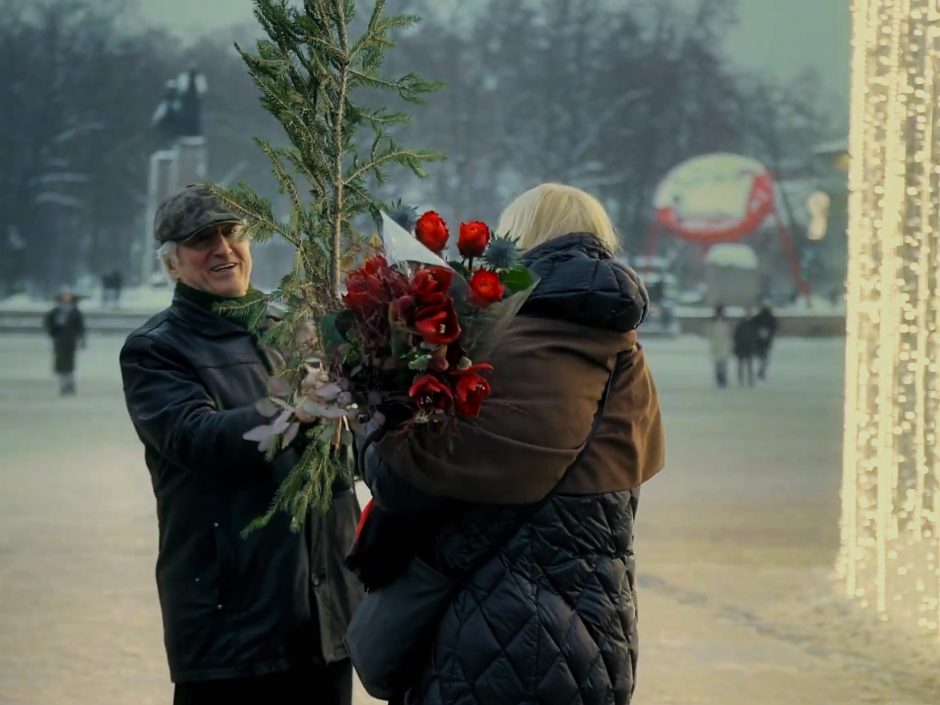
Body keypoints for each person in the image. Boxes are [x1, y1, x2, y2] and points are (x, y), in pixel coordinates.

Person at [351, 182, 665, 705]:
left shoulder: (538, 340)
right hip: (583, 616)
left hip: (507, 625)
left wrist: (374, 417)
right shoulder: (614, 344)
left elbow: (412, 482)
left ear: (519, 239)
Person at [119, 185, 363, 705]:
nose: (223, 249)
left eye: (232, 233)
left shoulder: (298, 330)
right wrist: (291, 410)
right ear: (172, 262)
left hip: (326, 618)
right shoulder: (155, 349)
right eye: (202, 240)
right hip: (231, 627)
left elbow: (347, 455)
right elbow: (194, 437)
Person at [44, 289, 85, 395]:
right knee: (60, 365)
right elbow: (48, 324)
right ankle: (63, 386)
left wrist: (81, 339)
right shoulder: (54, 312)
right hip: (59, 341)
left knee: (70, 364)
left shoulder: (75, 312)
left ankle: (69, 385)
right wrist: (54, 331)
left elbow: (81, 327)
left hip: (71, 341)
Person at [706, 305, 732, 388]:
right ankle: (719, 380)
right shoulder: (713, 324)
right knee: (718, 365)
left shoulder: (726, 324)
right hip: (716, 346)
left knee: (723, 365)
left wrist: (729, 345)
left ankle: (723, 380)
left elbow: (729, 335)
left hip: (724, 346)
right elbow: (710, 335)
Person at [733, 308, 758, 387]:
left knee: (749, 366)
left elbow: (755, 337)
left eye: (749, 313)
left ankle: (750, 380)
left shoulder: (753, 325)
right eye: (747, 313)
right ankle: (740, 380)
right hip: (741, 347)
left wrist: (754, 346)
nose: (748, 315)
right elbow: (736, 335)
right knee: (741, 365)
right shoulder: (741, 324)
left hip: (749, 348)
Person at [753, 303, 778, 380]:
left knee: (761, 357)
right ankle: (761, 371)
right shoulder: (771, 318)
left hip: (759, 341)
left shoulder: (758, 317)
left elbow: (753, 327)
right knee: (765, 358)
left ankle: (761, 371)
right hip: (767, 341)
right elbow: (775, 328)